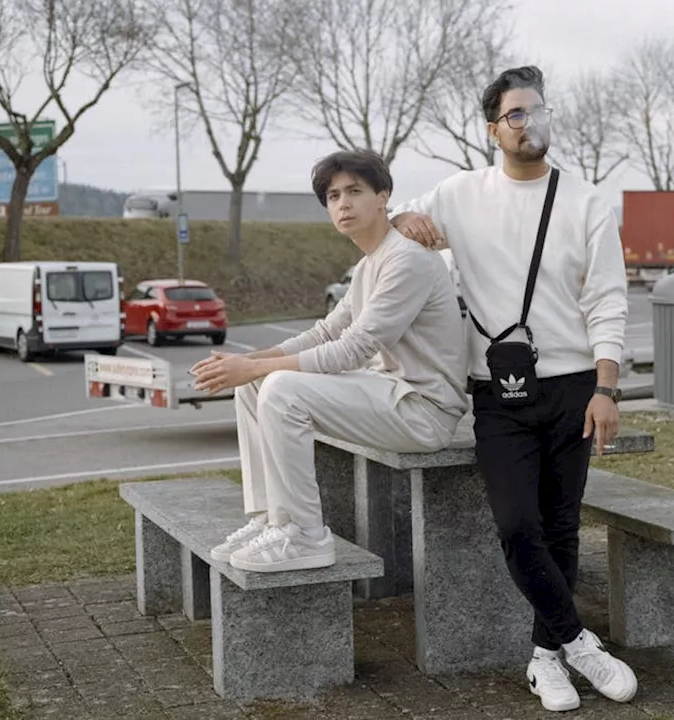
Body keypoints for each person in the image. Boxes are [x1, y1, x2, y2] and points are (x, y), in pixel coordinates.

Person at [388, 65, 636, 712]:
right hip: (498, 393)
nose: (531, 123)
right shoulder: (459, 193)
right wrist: (402, 219)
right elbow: (396, 216)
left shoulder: (587, 203)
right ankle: (581, 641)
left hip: (576, 388)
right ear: (493, 128)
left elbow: (608, 301)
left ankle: (543, 659)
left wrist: (607, 390)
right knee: (517, 524)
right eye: (517, 114)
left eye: (539, 110)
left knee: (560, 528)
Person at [190, 149, 468, 574]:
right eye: (334, 196)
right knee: (254, 384)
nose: (343, 203)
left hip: (423, 410)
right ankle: (271, 520)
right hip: (390, 395)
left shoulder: (407, 259)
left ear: (384, 197)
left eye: (354, 191)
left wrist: (261, 368)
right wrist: (249, 362)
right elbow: (325, 332)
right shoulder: (367, 267)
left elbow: (353, 349)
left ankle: (306, 535)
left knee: (281, 388)